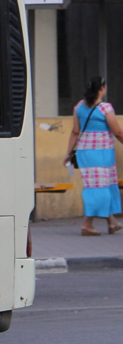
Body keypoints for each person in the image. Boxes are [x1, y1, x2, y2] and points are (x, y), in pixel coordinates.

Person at [65, 77, 123, 237]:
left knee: (104, 185)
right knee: (99, 189)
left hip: (85, 153)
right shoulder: (105, 108)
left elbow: (75, 132)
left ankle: (111, 222)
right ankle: (87, 225)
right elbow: (118, 132)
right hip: (101, 153)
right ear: (102, 89)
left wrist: (68, 153)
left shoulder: (79, 107)